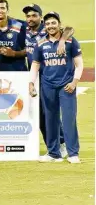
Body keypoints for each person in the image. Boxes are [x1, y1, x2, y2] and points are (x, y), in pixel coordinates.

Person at [29, 12, 83, 164]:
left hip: (66, 86)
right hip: (48, 86)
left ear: (59, 24)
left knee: (68, 119)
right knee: (50, 120)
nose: (50, 26)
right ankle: (54, 153)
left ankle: (73, 153)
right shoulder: (40, 44)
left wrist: (74, 82)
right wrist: (31, 83)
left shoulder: (71, 42)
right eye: (47, 24)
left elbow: (79, 64)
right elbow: (35, 65)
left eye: (53, 23)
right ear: (44, 26)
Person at [23, 3, 73, 157]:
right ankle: (54, 147)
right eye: (28, 16)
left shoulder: (47, 30)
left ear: (41, 18)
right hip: (34, 74)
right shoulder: (24, 30)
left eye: (34, 15)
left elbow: (70, 29)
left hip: (48, 77)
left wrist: (63, 40)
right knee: (40, 115)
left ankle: (61, 144)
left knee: (48, 113)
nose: (30, 18)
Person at [0, 0, 28, 71]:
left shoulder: (20, 27)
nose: (0, 11)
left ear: (7, 10)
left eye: (3, 8)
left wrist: (14, 53)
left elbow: (31, 50)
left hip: (18, 73)